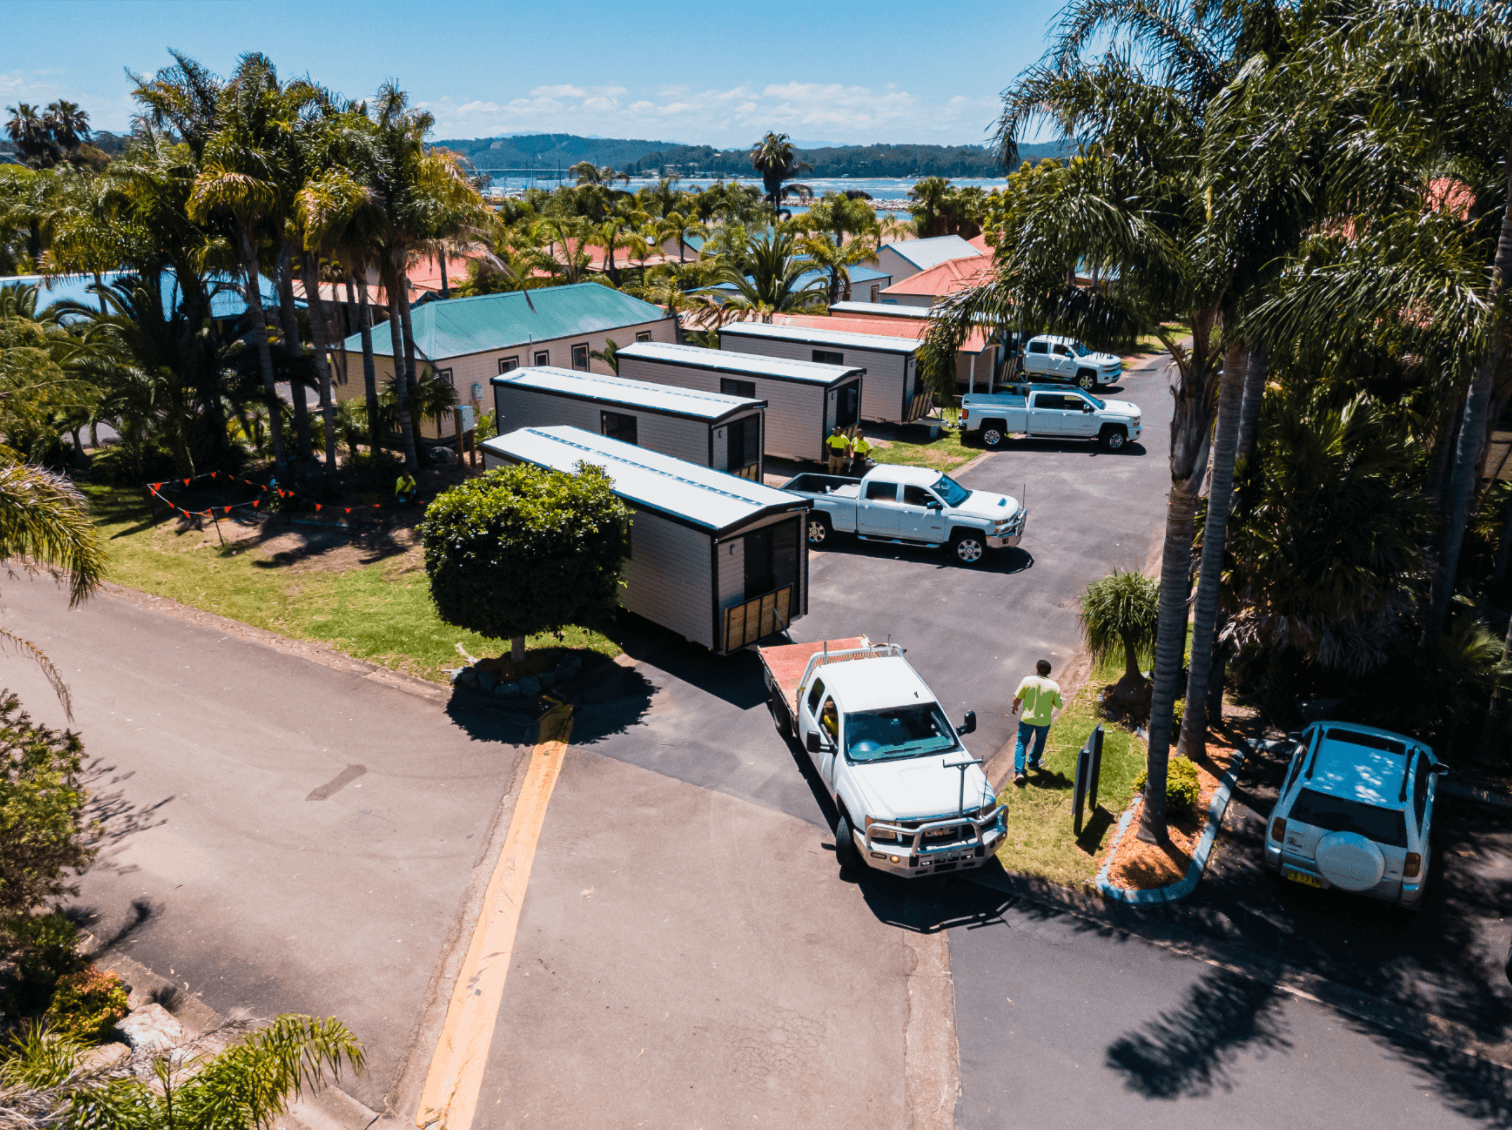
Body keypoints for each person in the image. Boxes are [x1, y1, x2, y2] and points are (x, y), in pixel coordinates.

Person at [1012, 659, 1064, 785]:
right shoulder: (1054, 686)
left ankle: (1019, 771)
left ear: (1036, 669)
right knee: (1040, 741)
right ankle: (1033, 763)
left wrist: (1015, 707)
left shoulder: (1027, 680)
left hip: (1027, 719)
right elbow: (1059, 704)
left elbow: (1016, 698)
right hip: (1044, 721)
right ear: (1049, 672)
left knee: (1021, 743)